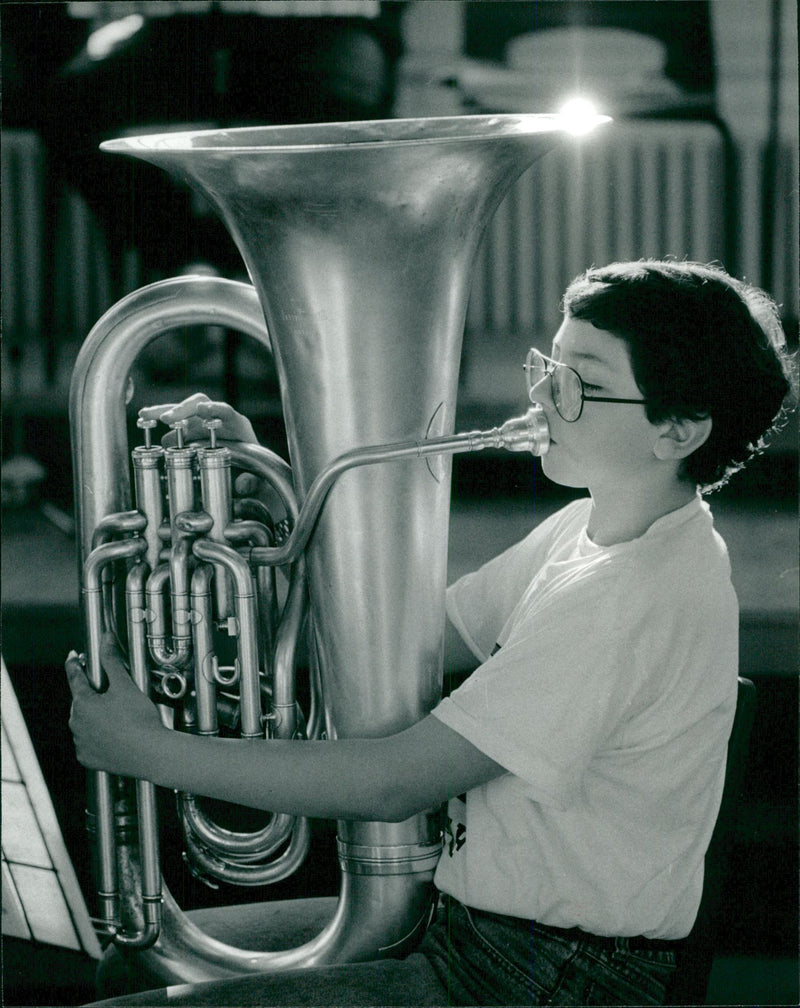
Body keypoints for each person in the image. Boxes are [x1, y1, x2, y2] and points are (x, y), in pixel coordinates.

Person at [66, 259, 794, 1006]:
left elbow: (394, 782)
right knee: (135, 967)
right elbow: (410, 642)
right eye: (548, 365)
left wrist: (149, 752)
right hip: (479, 932)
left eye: (579, 382)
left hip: (542, 979)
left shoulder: (627, 599)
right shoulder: (593, 526)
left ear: (677, 430)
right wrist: (281, 500)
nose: (540, 396)